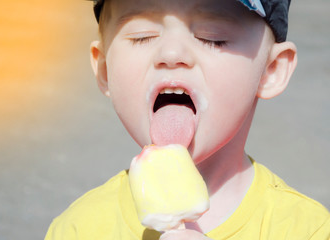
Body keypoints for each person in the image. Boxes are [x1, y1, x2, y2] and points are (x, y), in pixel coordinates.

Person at [45, 0, 330, 239]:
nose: (171, 54)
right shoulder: (78, 229)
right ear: (106, 70)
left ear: (271, 70)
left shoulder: (306, 230)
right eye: (141, 35)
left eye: (212, 37)